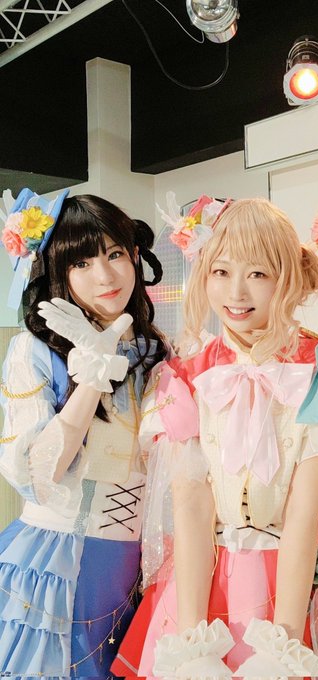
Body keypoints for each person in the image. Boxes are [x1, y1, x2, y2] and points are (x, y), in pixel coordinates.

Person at [112, 194, 318, 679]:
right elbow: (192, 506)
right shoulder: (185, 374)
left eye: (258, 273)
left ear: (287, 277)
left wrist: (283, 647)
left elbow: (302, 512)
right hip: (206, 580)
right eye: (221, 271)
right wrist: (192, 643)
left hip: (301, 583)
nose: (236, 292)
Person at [0, 190, 171, 677]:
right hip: (56, 559)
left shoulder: (157, 351)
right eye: (82, 263)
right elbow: (35, 475)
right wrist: (92, 375)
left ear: (134, 255)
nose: (105, 276)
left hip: (136, 564)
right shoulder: (35, 350)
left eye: (114, 254)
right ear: (59, 272)